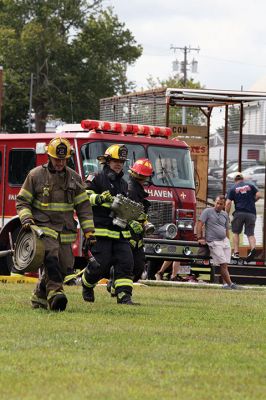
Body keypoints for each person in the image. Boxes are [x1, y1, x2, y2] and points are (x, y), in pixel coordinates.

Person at [16, 137, 95, 311]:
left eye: (63, 159)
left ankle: (39, 297)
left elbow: (83, 206)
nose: (60, 162)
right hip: (43, 228)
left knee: (65, 266)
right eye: (57, 159)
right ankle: (56, 295)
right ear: (49, 156)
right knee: (51, 258)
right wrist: (27, 219)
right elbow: (22, 202)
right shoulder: (36, 175)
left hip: (65, 231)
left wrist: (89, 232)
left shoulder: (74, 179)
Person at [82, 144, 136, 305]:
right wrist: (99, 199)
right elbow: (84, 197)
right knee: (100, 265)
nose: (118, 164)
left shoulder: (124, 184)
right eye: (115, 161)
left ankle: (124, 296)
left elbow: (124, 208)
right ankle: (87, 284)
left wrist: (133, 220)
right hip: (101, 231)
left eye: (121, 161)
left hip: (120, 233)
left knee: (126, 262)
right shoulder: (96, 177)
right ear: (107, 161)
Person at [197, 195, 239, 289]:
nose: (218, 205)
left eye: (221, 204)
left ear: (224, 205)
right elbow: (200, 223)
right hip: (213, 241)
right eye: (217, 203)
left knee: (225, 264)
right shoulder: (207, 211)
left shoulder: (225, 214)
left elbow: (226, 229)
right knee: (223, 264)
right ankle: (230, 284)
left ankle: (225, 284)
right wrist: (199, 237)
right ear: (215, 202)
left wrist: (228, 241)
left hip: (224, 241)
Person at [127, 158, 154, 282]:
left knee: (137, 266)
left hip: (136, 236)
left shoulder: (136, 189)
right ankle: (116, 284)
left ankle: (119, 285)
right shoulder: (132, 190)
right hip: (129, 234)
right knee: (129, 265)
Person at [225, 172, 262, 261]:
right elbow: (259, 195)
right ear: (243, 179)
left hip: (239, 213)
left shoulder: (233, 188)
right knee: (250, 233)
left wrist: (226, 215)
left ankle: (236, 253)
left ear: (235, 180)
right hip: (251, 214)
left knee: (236, 232)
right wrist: (252, 201)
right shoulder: (250, 185)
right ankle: (253, 249)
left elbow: (228, 203)